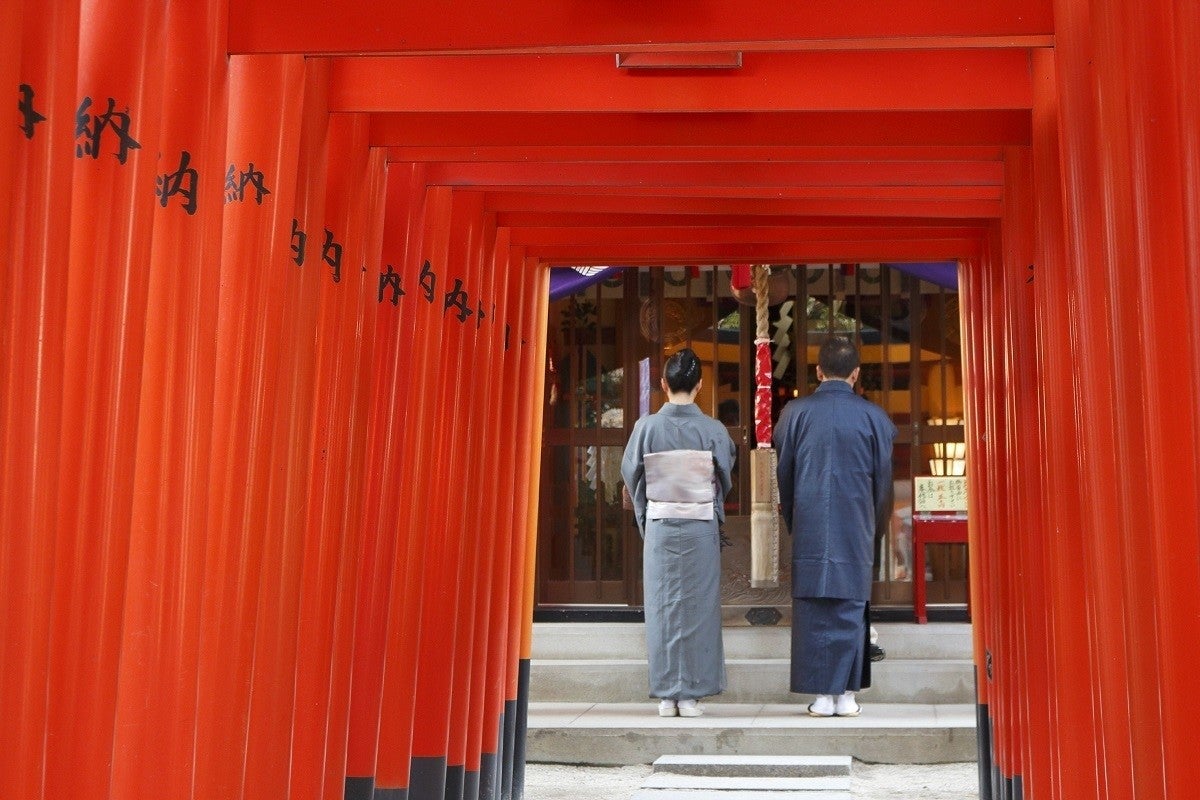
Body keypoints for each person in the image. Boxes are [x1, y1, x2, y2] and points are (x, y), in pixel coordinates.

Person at [773, 336, 897, 717]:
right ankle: (847, 696)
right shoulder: (875, 418)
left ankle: (822, 697)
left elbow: (785, 475)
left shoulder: (795, 413)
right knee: (849, 606)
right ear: (856, 373)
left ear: (818, 371)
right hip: (856, 525)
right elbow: (884, 485)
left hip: (810, 521)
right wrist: (872, 529)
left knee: (813, 608)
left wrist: (794, 518)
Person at [621, 348, 737, 718]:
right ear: (700, 385)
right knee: (699, 607)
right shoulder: (713, 430)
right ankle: (691, 695)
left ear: (663, 384)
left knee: (663, 607)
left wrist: (646, 512)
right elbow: (725, 478)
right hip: (700, 526)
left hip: (661, 528)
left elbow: (630, 475)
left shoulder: (646, 427)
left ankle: (667, 694)